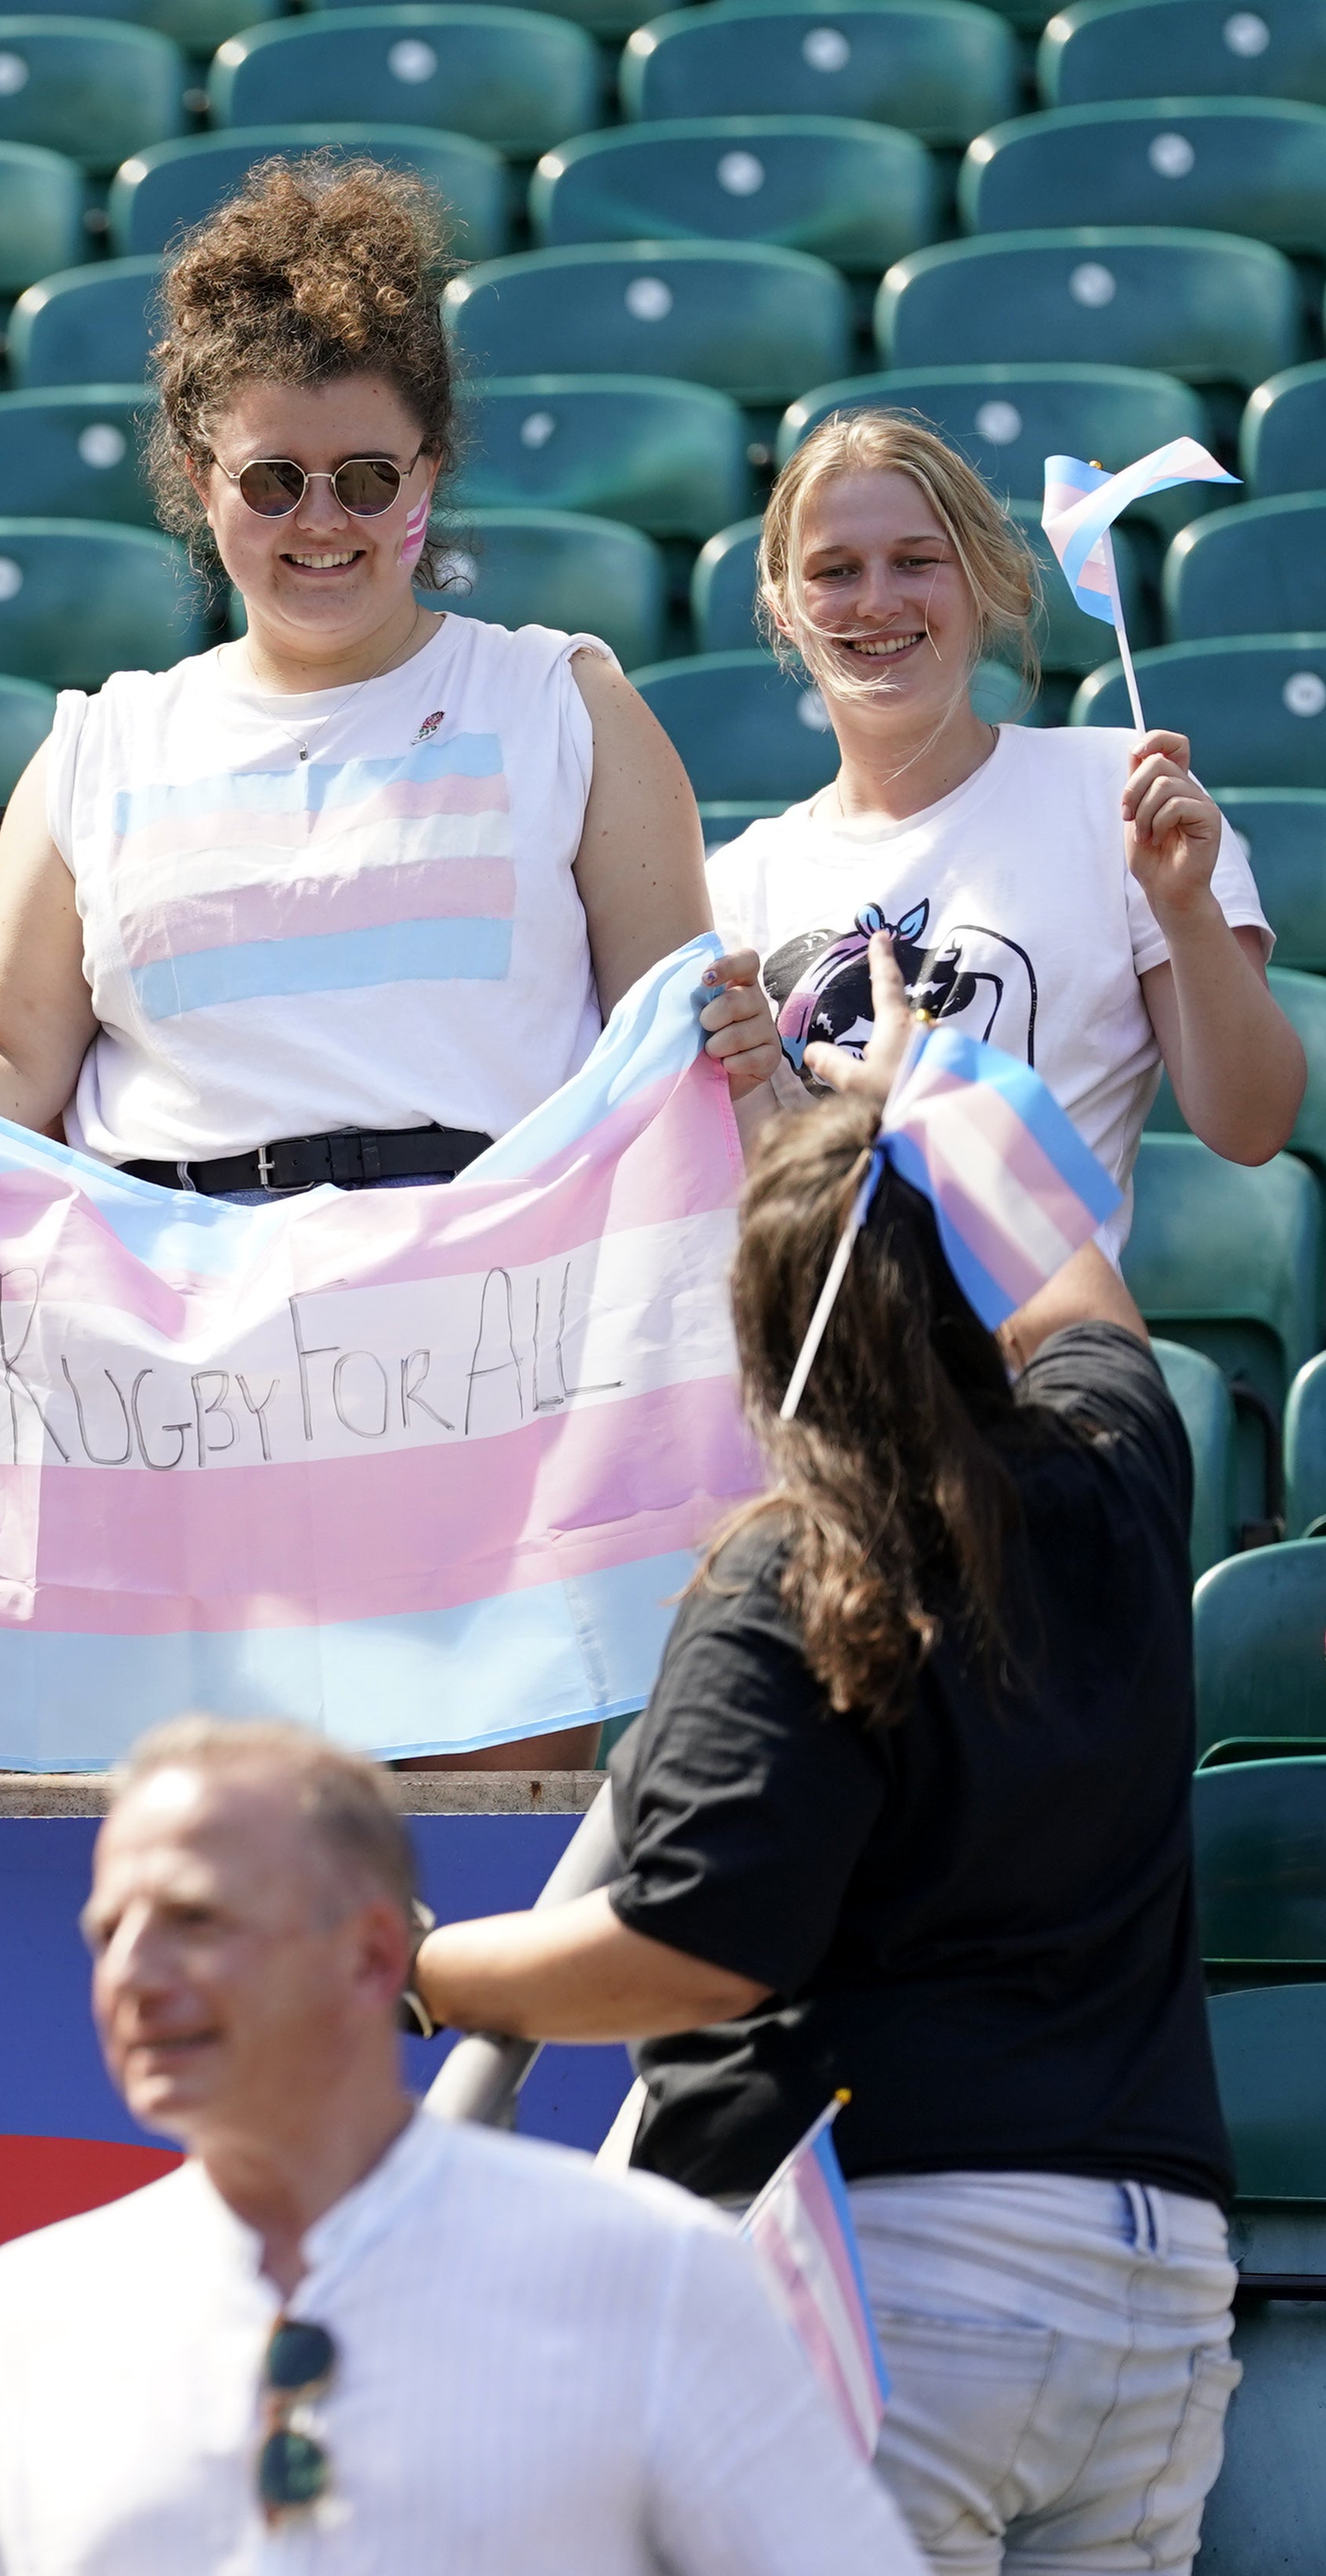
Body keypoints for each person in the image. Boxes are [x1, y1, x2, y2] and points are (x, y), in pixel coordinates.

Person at [0, 158, 773, 1765]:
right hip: (172, 1395)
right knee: (207, 1869)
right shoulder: (99, 745)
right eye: (270, 478)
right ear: (194, 481)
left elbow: (668, 1050)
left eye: (366, 476)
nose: (321, 521)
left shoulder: (559, 703)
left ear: (427, 475)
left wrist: (737, 1038)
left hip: (482, 1387)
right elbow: (9, 1050)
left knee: (470, 1861)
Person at [416, 930, 1241, 2574]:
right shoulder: (1119, 1464)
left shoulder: (791, 1573)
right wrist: (915, 1094)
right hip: (1154, 2286)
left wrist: (428, 1968)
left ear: (760, 1321)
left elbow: (690, 1949)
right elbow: (1070, 1270)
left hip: (899, 2275)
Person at [0, 1714, 923, 2575]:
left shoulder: (649, 2275)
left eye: (194, 1920)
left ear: (375, 1955)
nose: (135, 1975)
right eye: (108, 1931)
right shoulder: (6, 2329)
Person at [708, 405, 1300, 1235]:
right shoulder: (733, 883)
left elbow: (1250, 1124)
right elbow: (765, 1219)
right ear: (782, 608)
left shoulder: (1120, 794)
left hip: (1045, 1354)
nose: (875, 601)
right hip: (826, 1358)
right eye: (834, 571)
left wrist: (1186, 911)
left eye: (914, 561)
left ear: (981, 579)